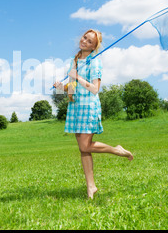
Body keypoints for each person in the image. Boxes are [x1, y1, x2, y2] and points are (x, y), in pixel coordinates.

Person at [53, 29, 133, 199]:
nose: (85, 42)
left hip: (88, 106)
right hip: (75, 107)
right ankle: (91, 187)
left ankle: (117, 150)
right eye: (84, 37)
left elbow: (95, 89)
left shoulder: (94, 62)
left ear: (94, 47)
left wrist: (77, 77)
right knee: (84, 150)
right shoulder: (74, 61)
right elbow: (72, 88)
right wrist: (62, 87)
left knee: (85, 146)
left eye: (90, 41)